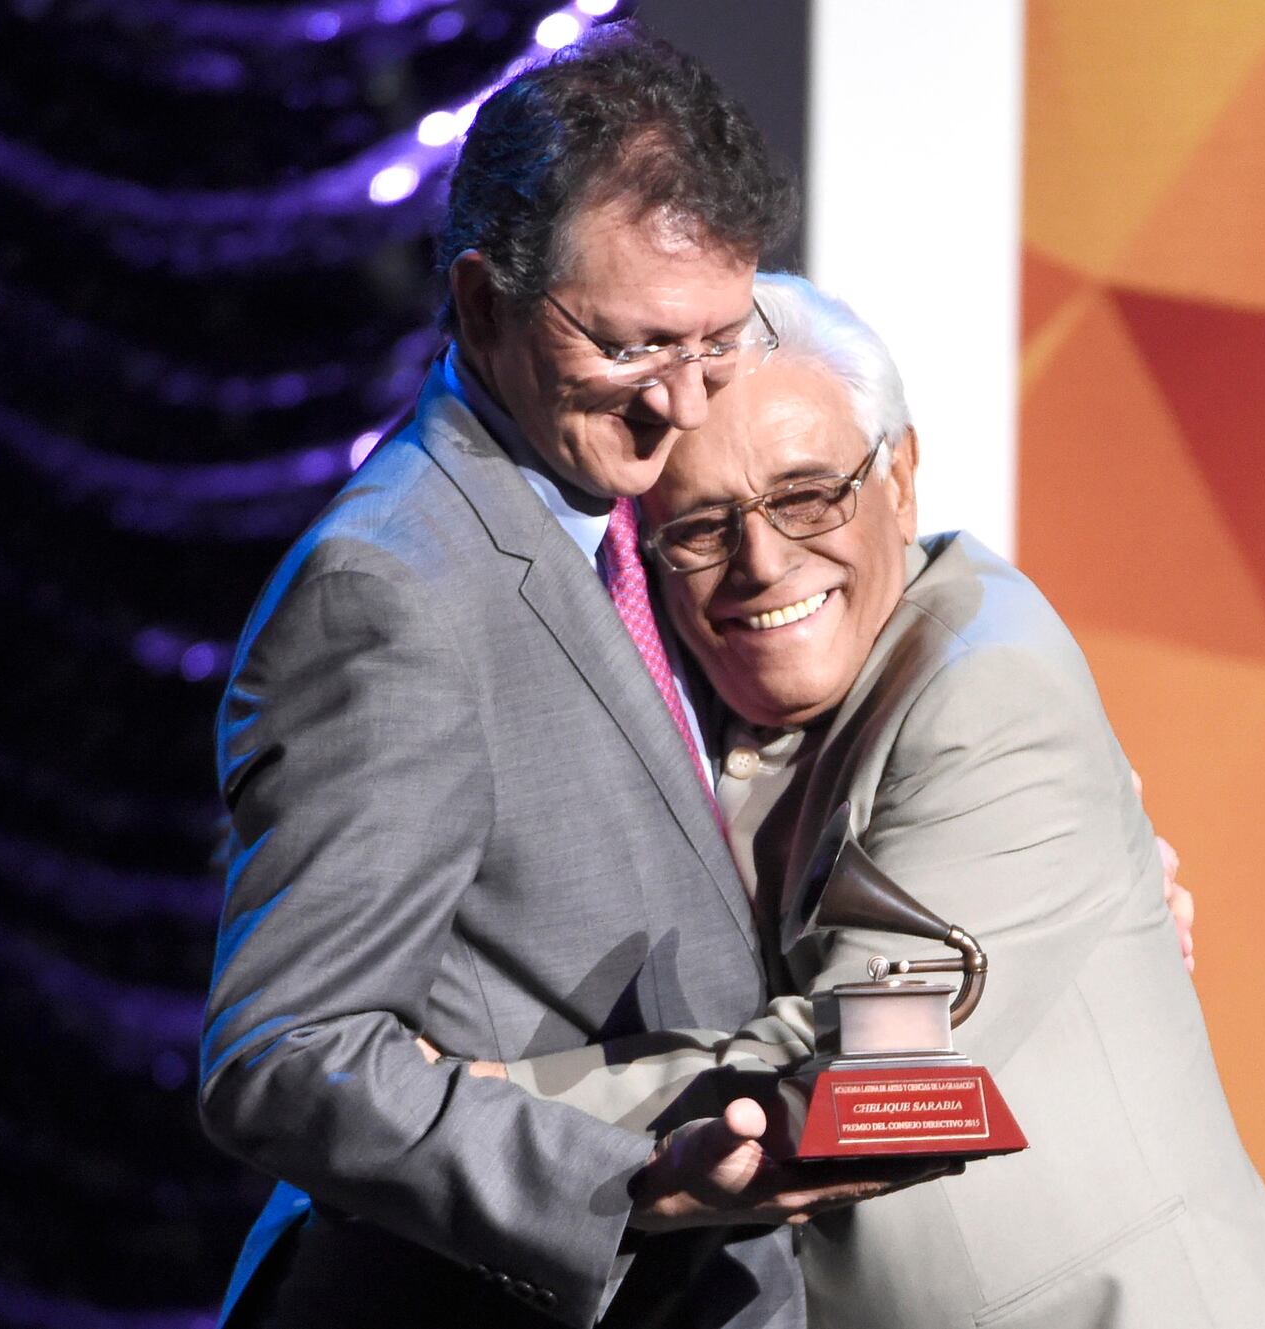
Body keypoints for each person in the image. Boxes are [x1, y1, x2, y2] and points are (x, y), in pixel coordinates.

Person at [199, 33, 939, 1329]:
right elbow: (285, 1054)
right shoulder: (390, 592)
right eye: (639, 348)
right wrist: (627, 1184)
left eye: (720, 339)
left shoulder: (617, 512)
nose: (687, 404)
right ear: (483, 302)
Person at [496, 273, 1265, 1328]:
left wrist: (463, 1110)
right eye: (702, 526)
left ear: (900, 478)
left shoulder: (990, 685)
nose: (762, 561)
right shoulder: (684, 709)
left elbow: (873, 1069)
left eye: (807, 496)